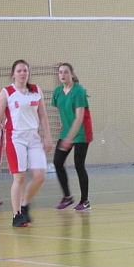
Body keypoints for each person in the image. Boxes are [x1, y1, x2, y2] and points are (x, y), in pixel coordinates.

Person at [0, 60, 52, 227]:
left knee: (40, 176)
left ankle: (25, 205)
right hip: (15, 137)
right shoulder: (7, 92)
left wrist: (48, 137)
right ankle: (16, 215)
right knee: (20, 177)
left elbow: (43, 115)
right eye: (19, 71)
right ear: (13, 74)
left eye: (25, 70)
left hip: (34, 137)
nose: (22, 73)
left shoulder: (36, 90)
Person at [51, 63, 93, 211]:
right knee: (57, 162)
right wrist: (62, 123)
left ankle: (84, 201)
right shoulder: (57, 91)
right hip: (67, 130)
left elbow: (79, 117)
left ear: (72, 74)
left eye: (66, 72)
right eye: (60, 72)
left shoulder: (79, 91)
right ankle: (67, 197)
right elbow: (60, 109)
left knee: (78, 164)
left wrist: (69, 137)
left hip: (81, 131)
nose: (63, 75)